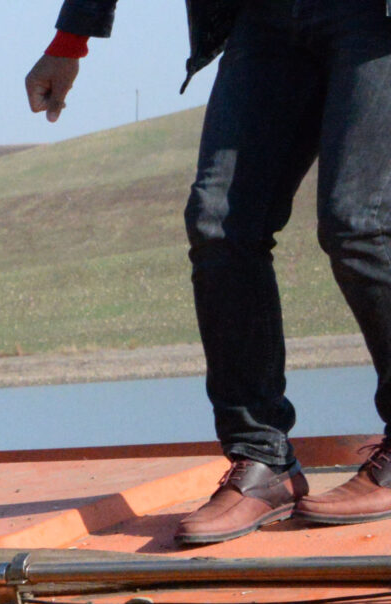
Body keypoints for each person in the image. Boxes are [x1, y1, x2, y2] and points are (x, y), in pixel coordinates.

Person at [26, 0, 391, 544]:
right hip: (263, 21)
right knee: (220, 224)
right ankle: (262, 462)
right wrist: (69, 41)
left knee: (357, 224)